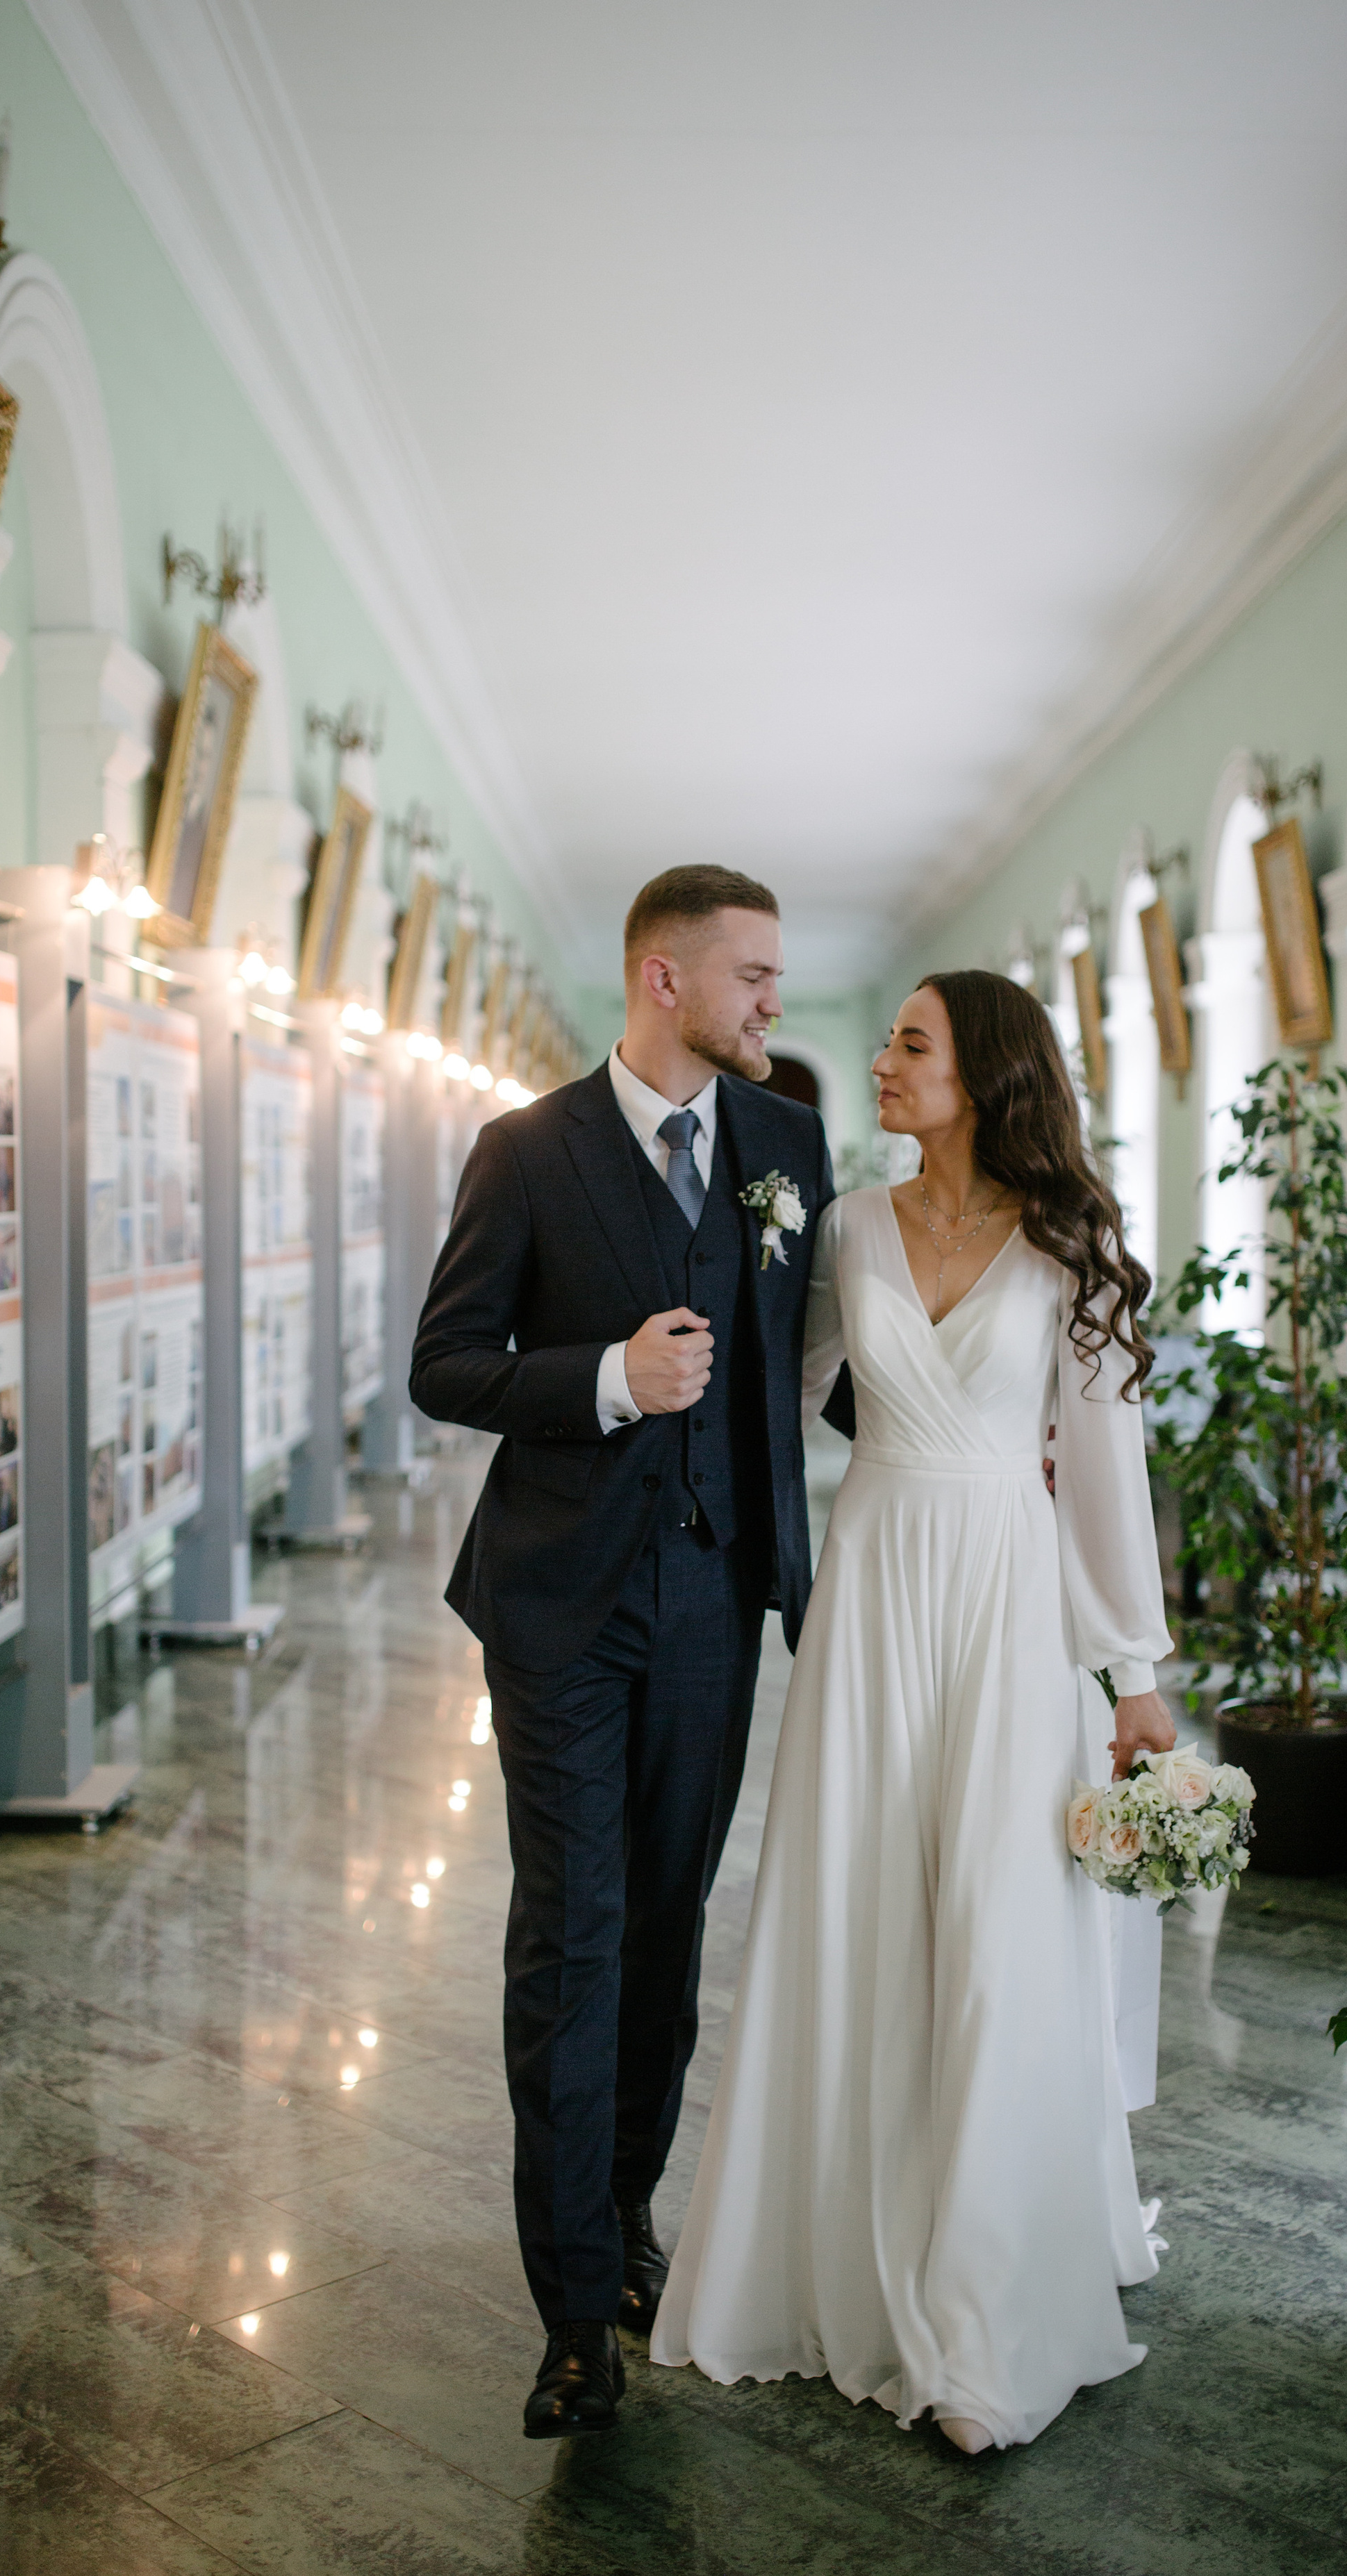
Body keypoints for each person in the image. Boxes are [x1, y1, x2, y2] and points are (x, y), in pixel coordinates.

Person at [653, 969, 1174, 2454]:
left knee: (1000, 1937)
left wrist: (1129, 1676)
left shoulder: (1066, 1247)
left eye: (908, 1043)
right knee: (863, 1915)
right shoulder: (844, 1233)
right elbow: (776, 1393)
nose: (877, 1063)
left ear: (983, 1072)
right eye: (882, 1041)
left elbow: (1104, 1471)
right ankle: (831, 2266)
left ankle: (984, 2322)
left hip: (1008, 1607)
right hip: (873, 1596)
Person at [411, 863, 845, 2440]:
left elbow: (828, 1360)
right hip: (557, 1610)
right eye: (749, 975)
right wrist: (602, 1377)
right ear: (662, 980)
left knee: (663, 1935)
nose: (770, 1004)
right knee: (572, 1936)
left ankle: (626, 2216)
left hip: (713, 1611)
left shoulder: (786, 1147)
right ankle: (570, 2307)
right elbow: (444, 1365)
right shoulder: (523, 1151)